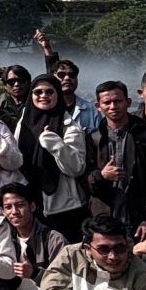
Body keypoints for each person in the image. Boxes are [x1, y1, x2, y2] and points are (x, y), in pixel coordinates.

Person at [14, 74, 88, 241]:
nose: (43, 96)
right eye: (38, 92)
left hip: (63, 207)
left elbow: (77, 168)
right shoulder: (23, 123)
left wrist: (55, 143)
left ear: (58, 95)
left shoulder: (69, 125)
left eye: (49, 92)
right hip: (30, 203)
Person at [83, 81, 146, 231]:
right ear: (98, 106)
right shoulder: (93, 137)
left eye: (118, 101)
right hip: (104, 216)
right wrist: (102, 176)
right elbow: (85, 179)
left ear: (128, 102)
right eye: (107, 103)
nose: (113, 106)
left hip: (138, 214)